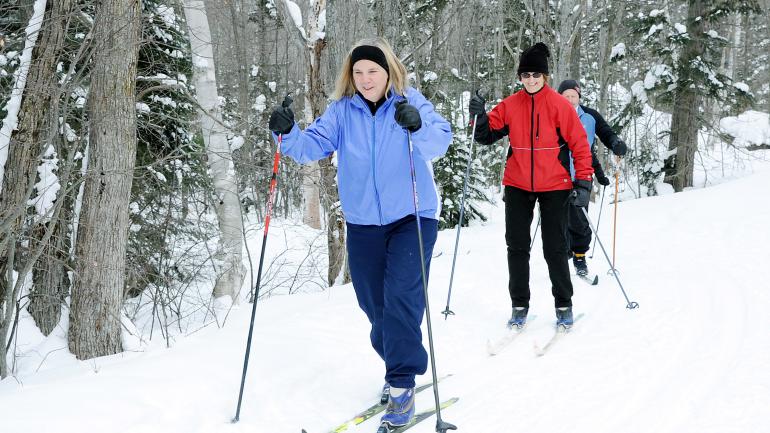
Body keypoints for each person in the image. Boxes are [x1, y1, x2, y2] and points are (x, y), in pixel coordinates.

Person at [268, 37, 451, 429]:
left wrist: (415, 127)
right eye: (359, 72)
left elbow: (440, 141)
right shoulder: (342, 112)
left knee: (402, 296)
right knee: (375, 306)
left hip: (412, 217)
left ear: (389, 73)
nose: (366, 79)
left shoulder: (409, 102)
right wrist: (286, 133)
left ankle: (401, 385)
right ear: (351, 76)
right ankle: (395, 366)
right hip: (364, 223)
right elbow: (310, 146)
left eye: (374, 71)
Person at [468, 42, 593, 329]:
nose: (531, 80)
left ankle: (564, 304)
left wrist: (583, 182)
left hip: (556, 185)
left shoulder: (561, 106)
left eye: (536, 74)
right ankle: (519, 305)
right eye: (526, 75)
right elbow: (485, 135)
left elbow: (580, 146)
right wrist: (477, 115)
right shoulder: (511, 105)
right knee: (517, 246)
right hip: (518, 183)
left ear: (545, 76)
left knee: (555, 248)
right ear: (520, 78)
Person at [557, 79, 628, 276]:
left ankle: (580, 256)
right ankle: (562, 254)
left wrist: (615, 143)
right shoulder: (552, 114)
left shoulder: (589, 116)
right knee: (557, 219)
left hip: (581, 175)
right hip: (555, 176)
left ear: (579, 97)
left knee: (580, 218)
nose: (570, 100)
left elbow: (605, 133)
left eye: (573, 96)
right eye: (566, 96)